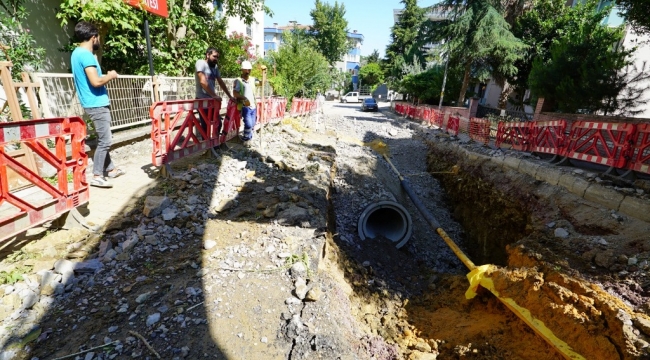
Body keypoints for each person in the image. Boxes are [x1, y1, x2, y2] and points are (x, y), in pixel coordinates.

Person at [70, 21, 124, 188]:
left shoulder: (76, 53)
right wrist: (111, 75)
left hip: (91, 102)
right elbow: (96, 81)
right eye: (98, 37)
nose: (99, 40)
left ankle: (111, 169)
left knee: (102, 138)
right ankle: (97, 175)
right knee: (106, 140)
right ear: (93, 37)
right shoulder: (86, 55)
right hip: (96, 103)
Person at [195, 47, 233, 137]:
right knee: (205, 125)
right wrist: (214, 95)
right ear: (207, 55)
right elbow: (202, 82)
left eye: (217, 57)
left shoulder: (214, 67)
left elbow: (220, 82)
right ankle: (207, 148)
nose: (216, 59)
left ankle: (214, 145)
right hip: (202, 100)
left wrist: (230, 96)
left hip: (211, 101)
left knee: (218, 123)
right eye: (214, 56)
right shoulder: (200, 63)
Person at [233, 61, 264, 144]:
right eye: (247, 69)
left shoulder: (253, 80)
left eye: (249, 70)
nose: (248, 71)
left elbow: (262, 83)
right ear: (242, 70)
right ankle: (246, 139)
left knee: (253, 124)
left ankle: (248, 138)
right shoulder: (238, 81)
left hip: (253, 106)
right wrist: (243, 97)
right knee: (249, 124)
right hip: (244, 106)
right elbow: (235, 93)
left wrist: (264, 73)